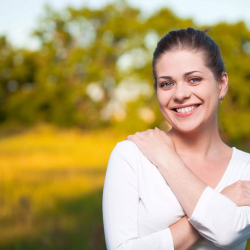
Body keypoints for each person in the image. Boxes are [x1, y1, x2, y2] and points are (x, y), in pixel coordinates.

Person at [102, 27, 250, 250]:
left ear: (221, 84)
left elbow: (227, 233)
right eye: (167, 83)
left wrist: (167, 159)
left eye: (194, 79)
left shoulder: (246, 168)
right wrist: (223, 201)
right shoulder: (130, 156)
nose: (180, 94)